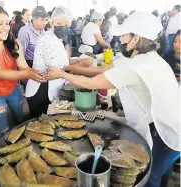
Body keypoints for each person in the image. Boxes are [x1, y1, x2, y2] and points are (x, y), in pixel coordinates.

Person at [45, 12, 180, 187]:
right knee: (162, 171)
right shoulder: (143, 58)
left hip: (168, 130)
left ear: (135, 38)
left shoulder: (138, 66)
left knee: (151, 174)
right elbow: (103, 70)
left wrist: (61, 73)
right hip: (169, 120)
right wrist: (70, 69)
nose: (120, 39)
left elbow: (91, 83)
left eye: (124, 35)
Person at [0, 5, 45, 138]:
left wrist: (38, 73)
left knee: (20, 122)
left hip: (14, 89)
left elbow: (23, 66)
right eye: (0, 23)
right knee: (4, 130)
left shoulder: (14, 42)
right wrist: (28, 74)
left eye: (7, 23)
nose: (5, 27)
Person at [24, 6, 73, 118]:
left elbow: (62, 62)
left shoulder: (57, 38)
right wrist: (74, 67)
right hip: (41, 89)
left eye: (66, 24)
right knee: (41, 126)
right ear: (52, 22)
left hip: (50, 86)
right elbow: (54, 68)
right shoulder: (47, 38)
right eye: (59, 23)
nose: (63, 27)